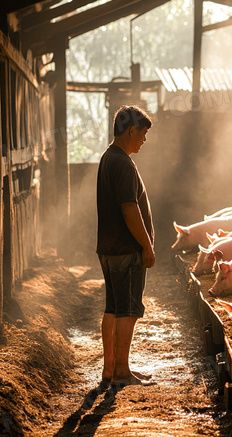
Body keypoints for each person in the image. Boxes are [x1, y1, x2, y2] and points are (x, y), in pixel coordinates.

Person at [96, 105, 156, 387]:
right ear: (131, 130)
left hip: (109, 249)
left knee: (113, 308)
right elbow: (129, 209)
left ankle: (111, 369)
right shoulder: (123, 163)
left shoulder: (109, 158)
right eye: (143, 134)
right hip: (125, 250)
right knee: (128, 311)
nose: (144, 140)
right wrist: (146, 246)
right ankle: (122, 371)